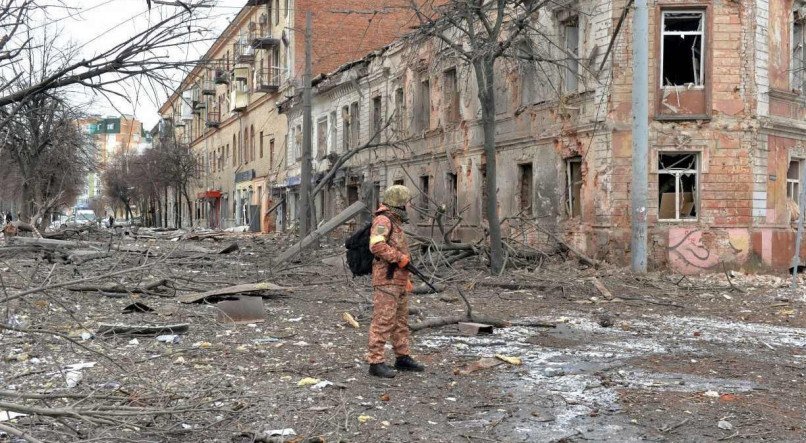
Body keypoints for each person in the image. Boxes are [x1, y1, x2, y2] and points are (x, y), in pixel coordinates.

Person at [366, 184, 425, 378]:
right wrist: (399, 258)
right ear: (398, 202)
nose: (408, 206)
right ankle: (375, 362)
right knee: (383, 321)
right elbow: (377, 246)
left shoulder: (394, 220)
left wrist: (404, 277)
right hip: (386, 280)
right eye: (405, 202)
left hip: (397, 280)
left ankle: (402, 357)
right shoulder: (383, 220)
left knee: (400, 321)